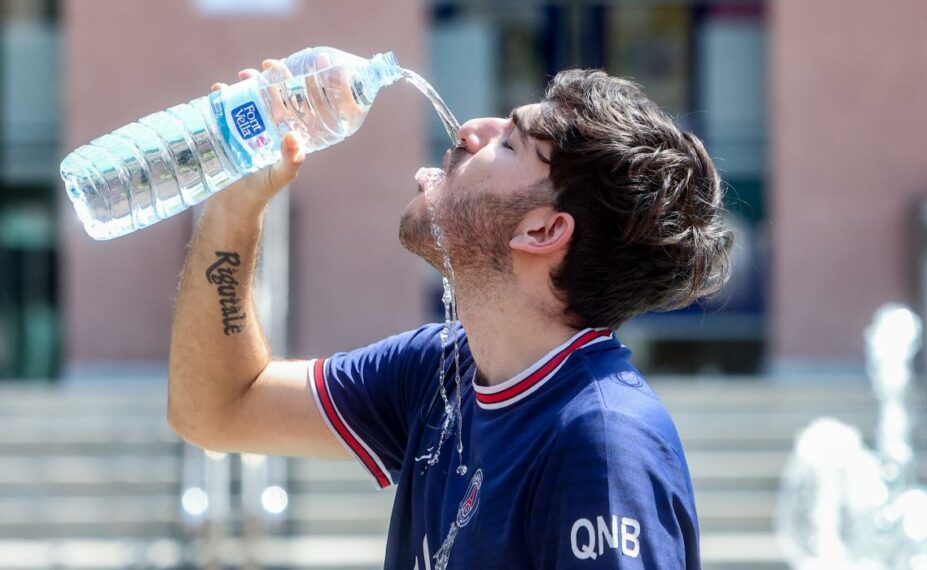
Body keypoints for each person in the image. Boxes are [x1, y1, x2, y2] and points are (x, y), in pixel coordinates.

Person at [167, 62, 733, 569]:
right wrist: (236, 204)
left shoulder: (602, 440)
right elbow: (218, 408)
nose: (470, 131)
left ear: (541, 230)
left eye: (510, 142)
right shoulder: (438, 372)